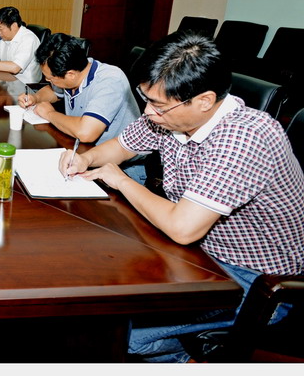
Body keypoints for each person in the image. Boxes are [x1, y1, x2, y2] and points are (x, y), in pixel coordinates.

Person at [60, 31, 304, 362]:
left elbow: (183, 228)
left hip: (255, 280)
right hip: (197, 254)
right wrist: (86, 159)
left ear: (204, 100)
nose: (148, 112)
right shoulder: (170, 116)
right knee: (95, 278)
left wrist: (120, 180)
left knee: (117, 329)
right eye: (146, 99)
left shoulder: (246, 137)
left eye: (158, 104)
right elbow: (121, 146)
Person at [17, 33, 145, 182]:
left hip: (120, 170)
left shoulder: (110, 80)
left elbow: (86, 132)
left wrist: (50, 114)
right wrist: (35, 98)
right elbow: (54, 91)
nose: (47, 80)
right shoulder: (77, 72)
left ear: (70, 75)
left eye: (50, 78)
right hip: (82, 155)